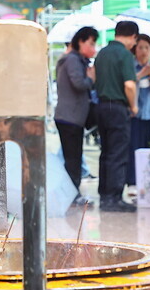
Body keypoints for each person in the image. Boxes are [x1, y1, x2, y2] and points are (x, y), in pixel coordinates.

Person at [93, 20, 139, 212]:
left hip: (102, 107)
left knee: (106, 151)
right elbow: (129, 85)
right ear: (133, 37)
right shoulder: (125, 55)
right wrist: (134, 106)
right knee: (118, 152)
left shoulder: (102, 53)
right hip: (118, 107)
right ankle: (114, 197)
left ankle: (104, 195)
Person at [53, 26, 99, 206]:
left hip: (72, 117)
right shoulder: (71, 60)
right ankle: (72, 195)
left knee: (74, 157)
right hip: (69, 118)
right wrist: (92, 79)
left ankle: (73, 193)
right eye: (91, 43)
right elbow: (79, 83)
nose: (93, 47)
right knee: (73, 158)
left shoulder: (76, 60)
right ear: (81, 42)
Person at [127, 33, 150, 187]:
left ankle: (148, 183)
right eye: (140, 47)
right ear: (135, 49)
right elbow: (128, 84)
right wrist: (141, 74)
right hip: (134, 115)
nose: (143, 51)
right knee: (133, 149)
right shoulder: (130, 66)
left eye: (147, 48)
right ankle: (132, 182)